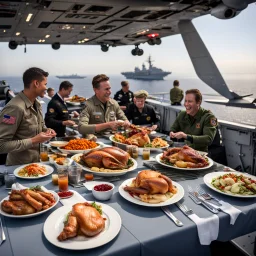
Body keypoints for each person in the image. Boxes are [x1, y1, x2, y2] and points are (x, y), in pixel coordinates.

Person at [0, 67, 56, 165]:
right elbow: (1, 145)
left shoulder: (37, 104)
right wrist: (34, 140)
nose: (46, 88)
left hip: (35, 165)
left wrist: (46, 130)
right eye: (45, 84)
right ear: (36, 83)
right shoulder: (15, 108)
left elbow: (39, 127)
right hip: (18, 168)